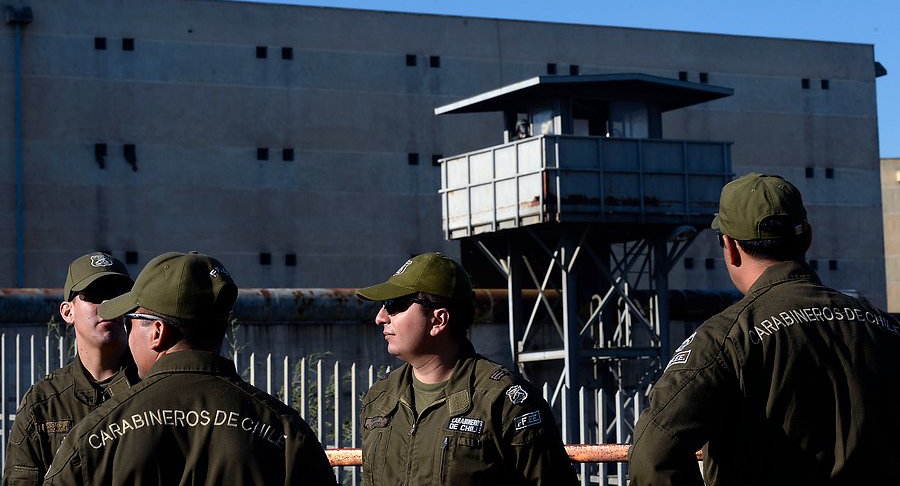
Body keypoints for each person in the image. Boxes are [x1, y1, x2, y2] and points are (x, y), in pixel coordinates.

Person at [628, 173, 900, 485]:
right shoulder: (883, 328)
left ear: (729, 248)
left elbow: (654, 454)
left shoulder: (726, 338)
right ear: (808, 238)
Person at [42, 251, 337, 486]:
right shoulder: (285, 432)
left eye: (130, 321)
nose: (127, 333)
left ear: (157, 332)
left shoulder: (96, 435)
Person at [356, 252, 577, 486]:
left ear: (438, 320)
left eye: (394, 305)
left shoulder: (503, 401)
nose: (381, 317)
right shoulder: (380, 398)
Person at [3, 252, 137, 486]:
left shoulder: (153, 387)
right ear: (67, 312)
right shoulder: (44, 403)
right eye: (94, 295)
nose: (107, 304)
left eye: (118, 296)